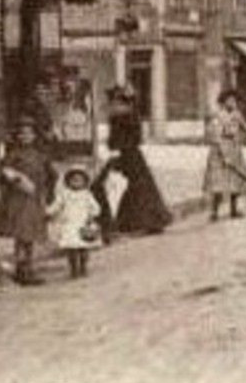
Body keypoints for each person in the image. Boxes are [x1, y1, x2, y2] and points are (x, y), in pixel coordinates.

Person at [94, 88, 172, 239]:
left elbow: (121, 139)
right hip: (131, 155)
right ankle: (145, 221)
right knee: (137, 187)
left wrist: (116, 148)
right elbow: (134, 138)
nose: (113, 105)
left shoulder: (120, 118)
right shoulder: (130, 116)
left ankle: (131, 222)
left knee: (123, 186)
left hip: (124, 155)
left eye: (116, 102)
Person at [0, 119, 54, 286]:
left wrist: (50, 196)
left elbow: (51, 175)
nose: (25, 136)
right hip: (18, 202)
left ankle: (27, 268)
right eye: (21, 133)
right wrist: (10, 177)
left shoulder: (41, 156)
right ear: (17, 136)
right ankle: (22, 270)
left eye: (29, 133)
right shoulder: (13, 155)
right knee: (22, 235)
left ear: (35, 135)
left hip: (34, 200)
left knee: (30, 236)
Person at [204, 89, 246, 220]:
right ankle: (214, 212)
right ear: (223, 102)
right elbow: (216, 136)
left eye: (234, 100)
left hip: (234, 149)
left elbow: (245, 127)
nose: (232, 103)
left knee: (236, 181)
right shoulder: (218, 116)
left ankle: (234, 210)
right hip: (219, 151)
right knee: (218, 183)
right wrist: (224, 155)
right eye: (229, 100)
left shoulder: (237, 114)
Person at [48, 165, 103, 279]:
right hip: (69, 225)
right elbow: (56, 206)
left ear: (84, 182)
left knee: (83, 248)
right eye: (74, 180)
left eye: (80, 180)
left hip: (82, 224)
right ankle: (74, 269)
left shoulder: (87, 195)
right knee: (71, 249)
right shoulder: (64, 194)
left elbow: (96, 208)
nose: (76, 182)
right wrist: (48, 211)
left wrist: (91, 216)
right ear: (68, 181)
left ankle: (83, 266)